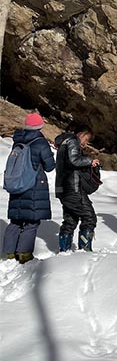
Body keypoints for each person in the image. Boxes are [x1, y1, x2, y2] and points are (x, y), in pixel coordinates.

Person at [2, 113, 55, 264]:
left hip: (17, 184)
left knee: (16, 221)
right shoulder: (40, 142)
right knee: (31, 222)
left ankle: (10, 254)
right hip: (33, 186)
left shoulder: (17, 140)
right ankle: (24, 254)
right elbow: (50, 166)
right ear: (40, 126)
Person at [55, 125, 100, 252]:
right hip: (72, 187)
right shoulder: (72, 140)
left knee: (70, 219)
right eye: (86, 139)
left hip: (62, 188)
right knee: (89, 217)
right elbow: (74, 160)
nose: (86, 143)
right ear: (81, 133)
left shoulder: (63, 143)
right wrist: (89, 161)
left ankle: (64, 251)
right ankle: (85, 250)